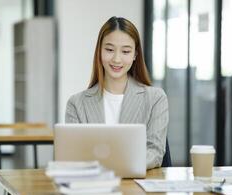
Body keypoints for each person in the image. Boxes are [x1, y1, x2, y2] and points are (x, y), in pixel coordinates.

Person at [65, 16, 169, 169]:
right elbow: (72, 155)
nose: (117, 59)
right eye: (109, 50)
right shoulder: (76, 104)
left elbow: (155, 152)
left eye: (126, 51)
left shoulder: (155, 99)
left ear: (135, 55)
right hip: (93, 187)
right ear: (99, 51)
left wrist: (115, 166)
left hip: (138, 186)